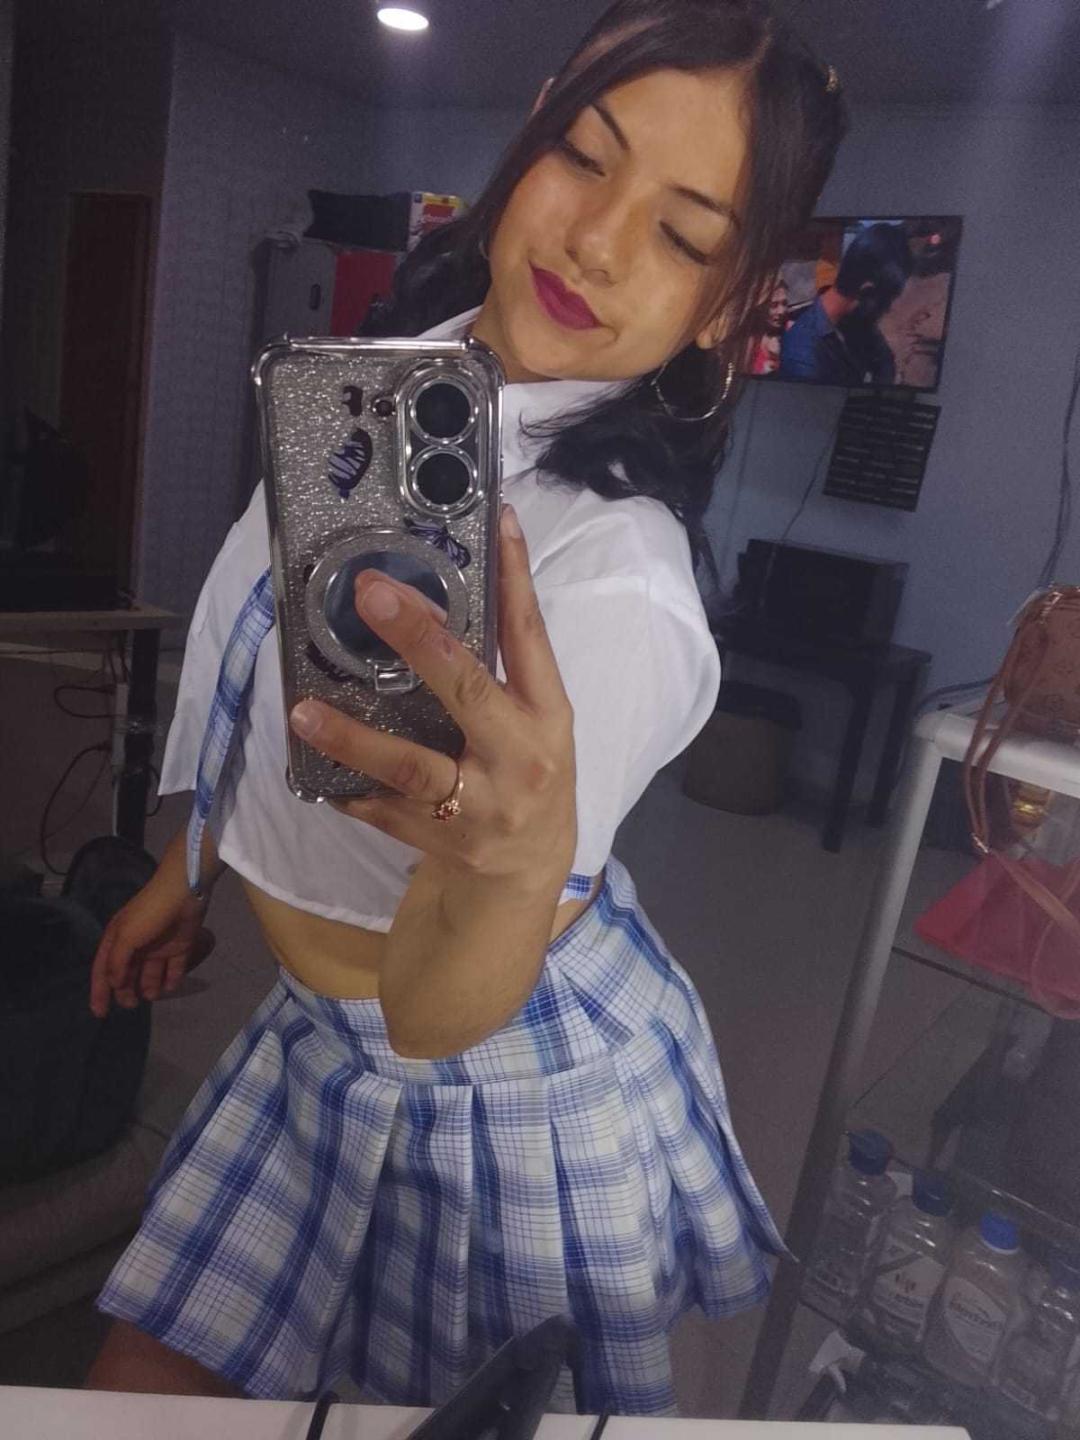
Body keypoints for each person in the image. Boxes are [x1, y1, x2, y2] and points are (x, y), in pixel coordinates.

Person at [85, 0, 847, 1415]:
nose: (596, 239)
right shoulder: (392, 384)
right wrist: (193, 868)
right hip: (311, 1038)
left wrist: (512, 870)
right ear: (532, 129)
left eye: (684, 236)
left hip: (488, 1090)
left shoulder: (614, 588)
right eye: (585, 155)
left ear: (727, 307)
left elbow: (441, 1012)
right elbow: (265, 654)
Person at [779, 221, 912, 385]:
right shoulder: (802, 358)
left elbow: (885, 362)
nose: (887, 309)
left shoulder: (858, 322)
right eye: (886, 300)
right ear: (866, 292)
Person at [748, 277, 788, 374]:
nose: (781, 311)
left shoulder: (793, 330)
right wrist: (766, 371)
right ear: (759, 308)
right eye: (773, 305)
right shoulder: (748, 344)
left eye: (784, 303)